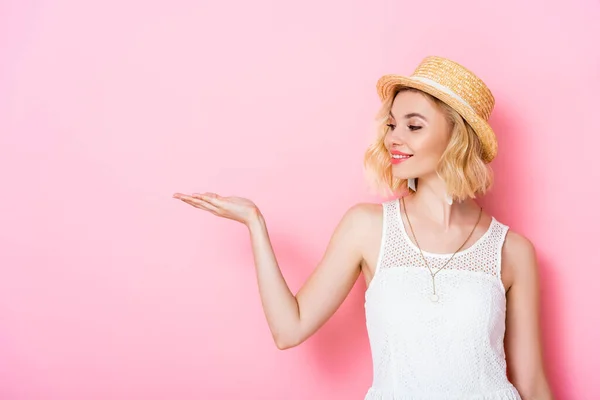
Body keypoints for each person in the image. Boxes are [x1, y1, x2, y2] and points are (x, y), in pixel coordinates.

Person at [173, 56, 553, 399]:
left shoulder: (513, 251)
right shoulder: (367, 228)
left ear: (456, 137)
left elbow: (532, 381)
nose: (393, 138)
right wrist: (255, 223)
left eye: (413, 125)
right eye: (391, 124)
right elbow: (289, 329)